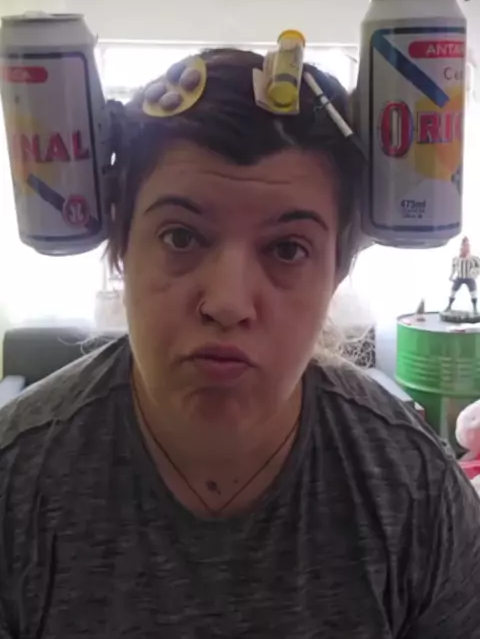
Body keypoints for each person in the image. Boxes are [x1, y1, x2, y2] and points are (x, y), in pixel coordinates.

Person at [0, 47, 479, 639]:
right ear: (122, 248)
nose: (227, 303)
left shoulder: (415, 488)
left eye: (287, 249)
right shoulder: (16, 485)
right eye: (180, 237)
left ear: (336, 274)